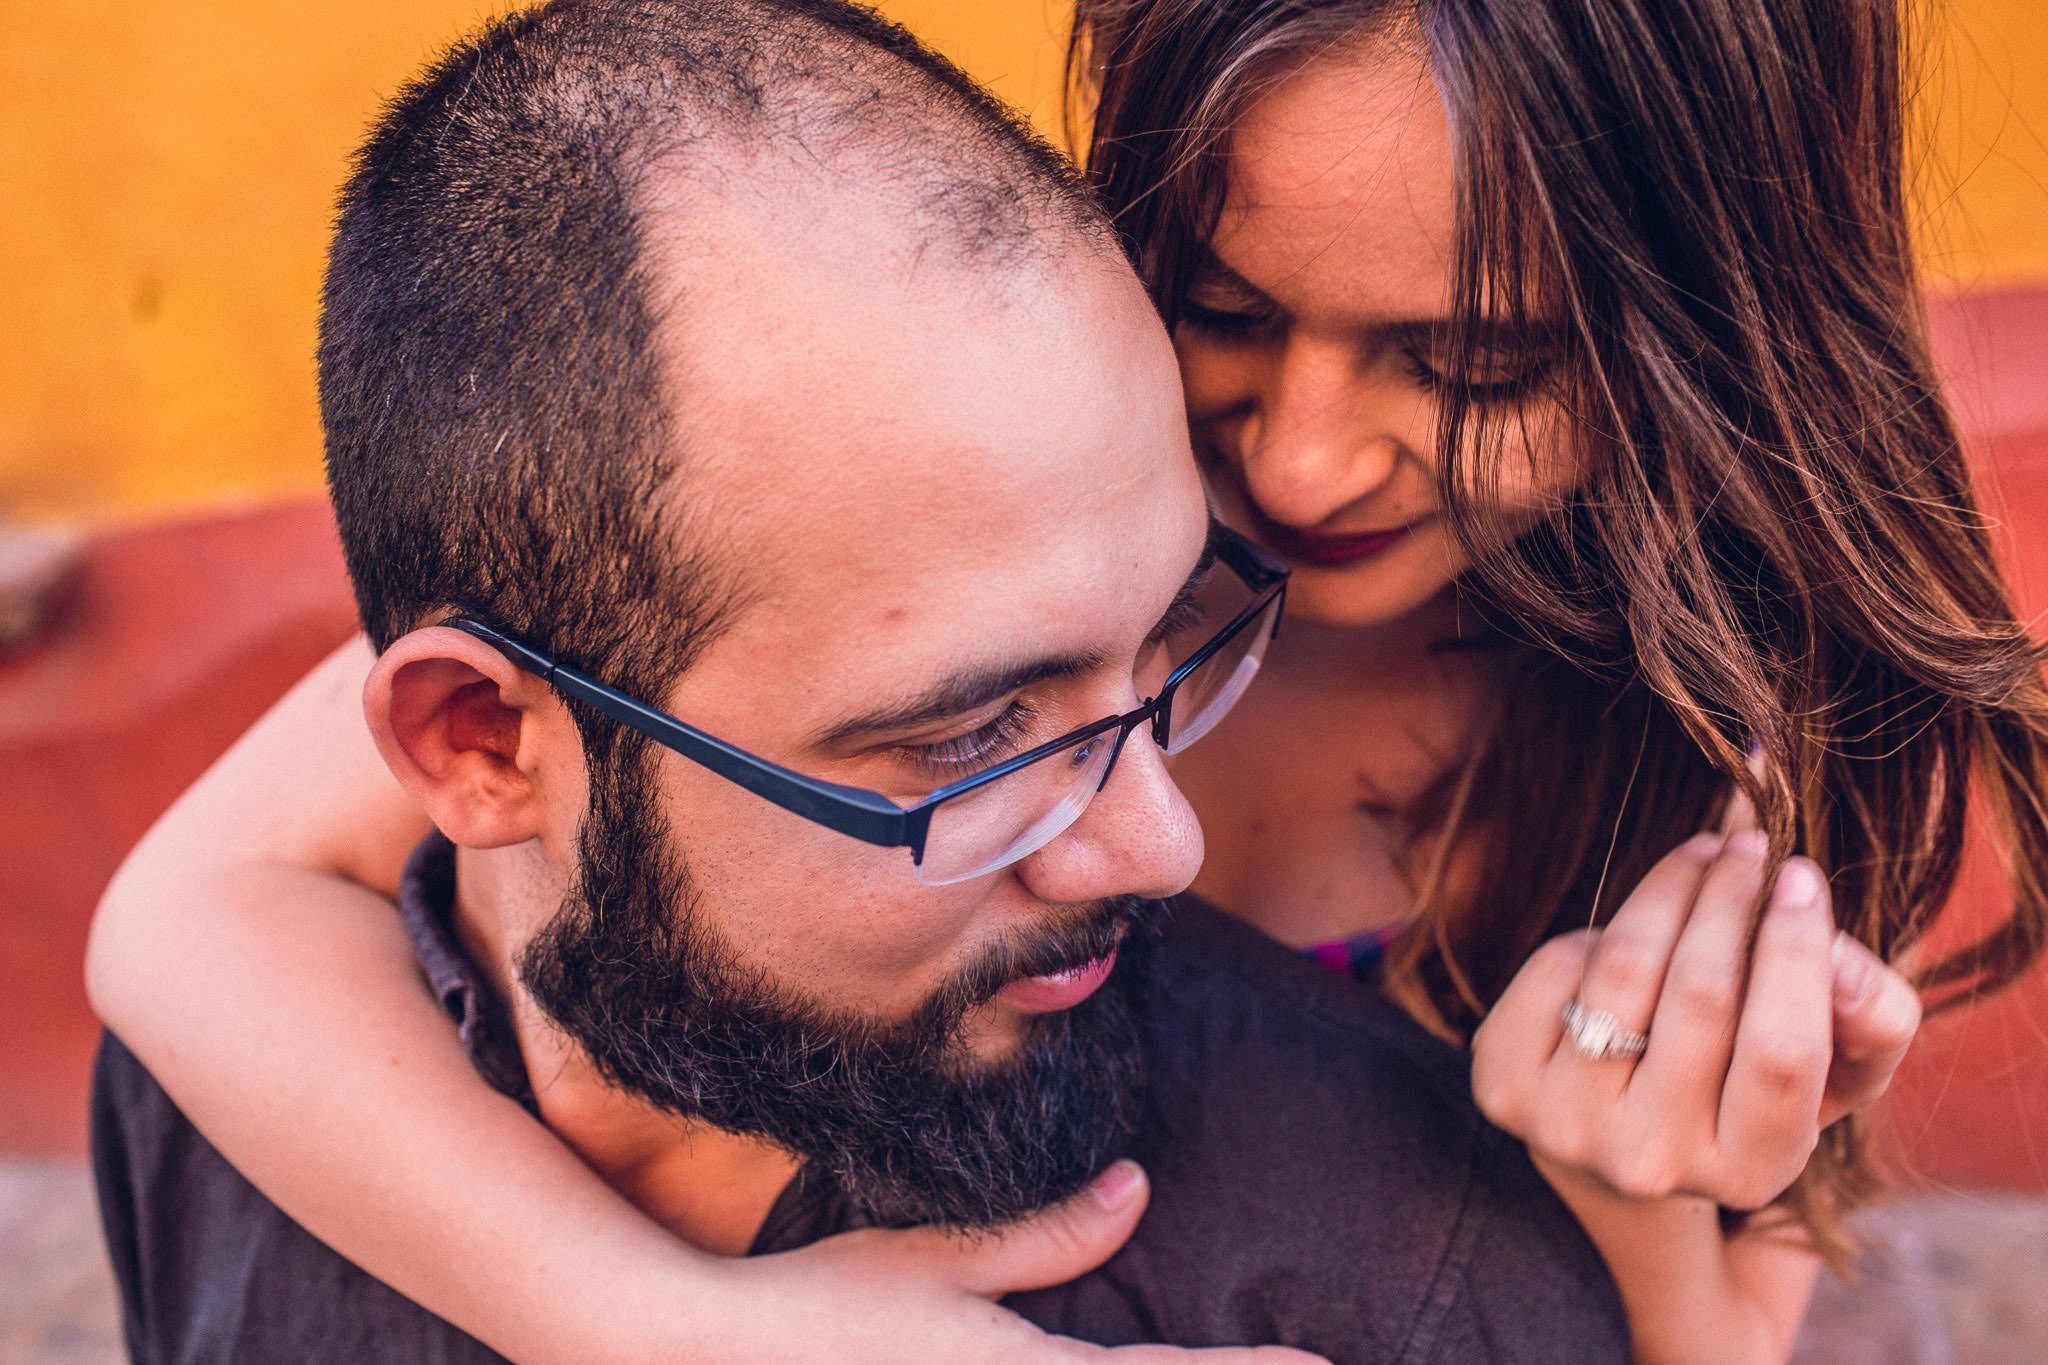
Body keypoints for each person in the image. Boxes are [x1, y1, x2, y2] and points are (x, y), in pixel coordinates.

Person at [90, 0, 2040, 1360]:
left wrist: (1632, 1204)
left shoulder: (1709, 731)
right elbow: (190, 913)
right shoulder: (927, 524)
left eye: (1468, 370)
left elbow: (1706, 1327)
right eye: (1226, 310)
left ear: (1704, 340)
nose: (1293, 464)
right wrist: (663, 1326)